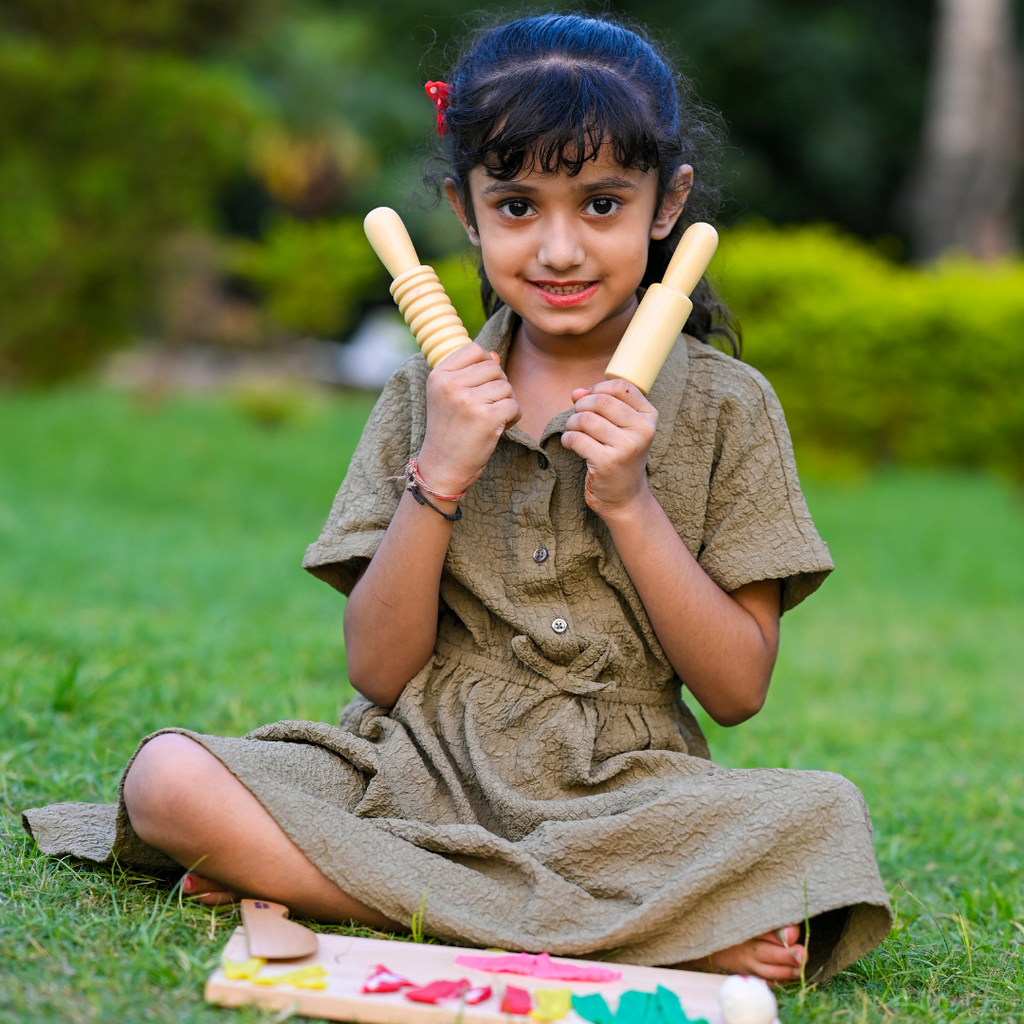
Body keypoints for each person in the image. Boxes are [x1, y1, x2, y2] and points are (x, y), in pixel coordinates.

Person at [23, 13, 892, 984]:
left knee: (825, 817)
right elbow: (378, 673)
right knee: (166, 780)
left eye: (601, 203)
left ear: (666, 204)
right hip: (413, 769)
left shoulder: (733, 407)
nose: (559, 249)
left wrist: (630, 504)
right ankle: (619, 930)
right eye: (518, 206)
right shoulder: (419, 396)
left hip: (625, 798)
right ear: (464, 209)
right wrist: (438, 475)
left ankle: (360, 889)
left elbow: (736, 693)